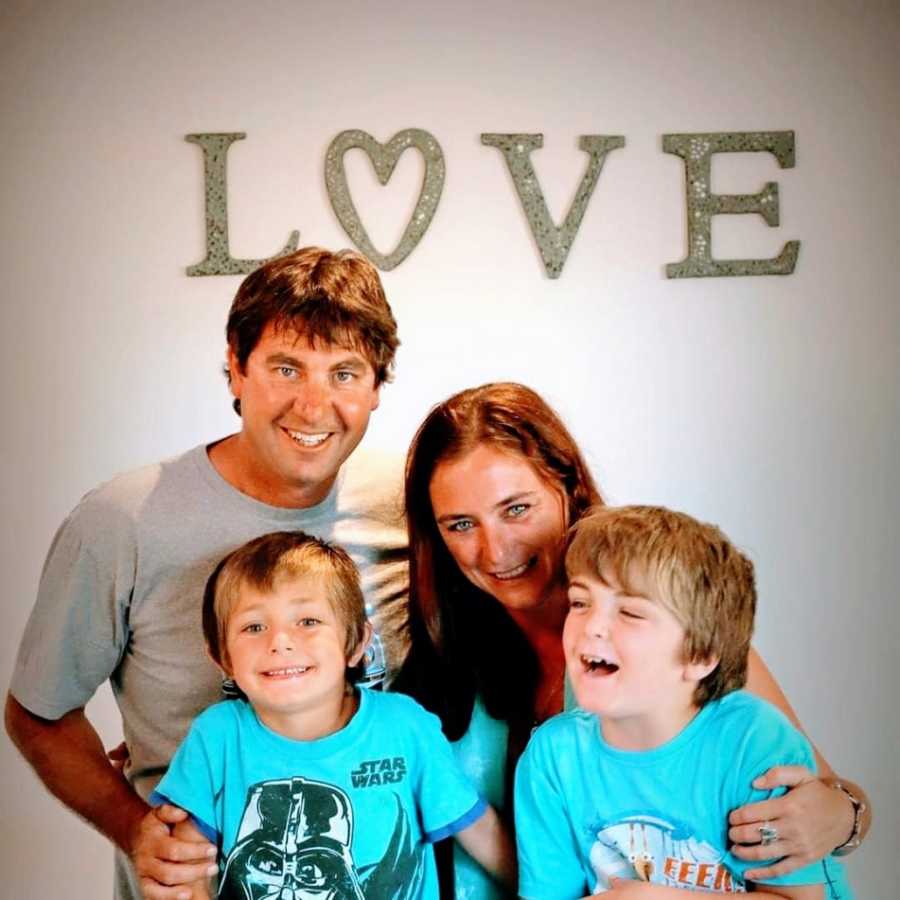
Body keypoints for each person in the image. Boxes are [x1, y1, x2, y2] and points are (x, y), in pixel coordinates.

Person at [5, 247, 409, 900]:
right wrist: (137, 831)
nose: (314, 405)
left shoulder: (412, 503)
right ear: (235, 369)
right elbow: (39, 712)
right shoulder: (124, 521)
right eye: (286, 367)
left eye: (345, 373)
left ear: (376, 388)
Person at [392, 382, 869, 900]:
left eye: (516, 509)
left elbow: (822, 798)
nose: (495, 548)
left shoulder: (678, 648)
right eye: (461, 524)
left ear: (567, 486)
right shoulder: (448, 671)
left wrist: (844, 814)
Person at [151, 530, 514, 900]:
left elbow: (480, 831)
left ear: (356, 644)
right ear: (221, 657)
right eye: (254, 627)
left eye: (307, 621)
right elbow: (184, 871)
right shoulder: (216, 738)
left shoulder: (404, 727)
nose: (280, 641)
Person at [515, 504, 850, 899]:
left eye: (631, 612)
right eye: (580, 602)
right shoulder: (553, 756)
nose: (593, 626)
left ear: (699, 657)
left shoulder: (753, 742)